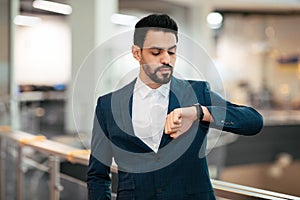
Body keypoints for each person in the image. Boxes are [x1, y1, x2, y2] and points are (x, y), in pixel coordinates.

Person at [87, 14, 263, 200]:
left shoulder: (196, 93)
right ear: (136, 53)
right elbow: (97, 175)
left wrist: (199, 112)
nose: (166, 60)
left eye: (171, 52)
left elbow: (253, 121)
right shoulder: (107, 106)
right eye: (156, 53)